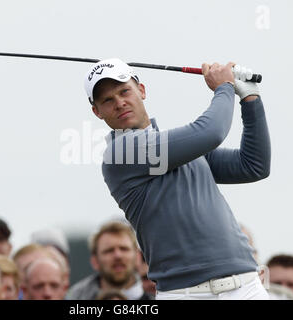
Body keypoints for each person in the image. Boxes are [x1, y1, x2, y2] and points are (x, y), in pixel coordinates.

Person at [83, 58, 271, 300]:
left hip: (246, 286)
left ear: (141, 90)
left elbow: (253, 165)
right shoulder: (120, 154)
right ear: (97, 112)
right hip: (183, 293)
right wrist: (224, 87)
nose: (119, 103)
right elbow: (211, 132)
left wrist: (250, 98)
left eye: (124, 91)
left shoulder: (182, 148)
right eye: (107, 100)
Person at [67, 221, 153, 300]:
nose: (118, 256)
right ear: (95, 261)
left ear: (137, 257)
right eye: (109, 251)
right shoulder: (73, 297)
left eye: (124, 249)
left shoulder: (160, 295)